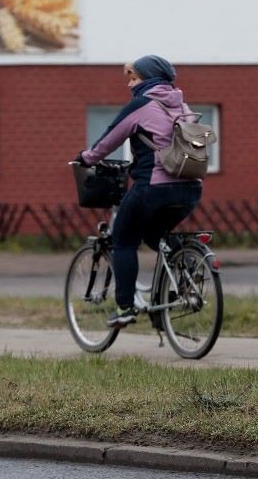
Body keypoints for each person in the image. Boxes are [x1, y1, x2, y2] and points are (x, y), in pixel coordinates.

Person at [76, 55, 203, 328]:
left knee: (123, 239)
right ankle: (186, 265)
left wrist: (86, 158)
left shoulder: (142, 105)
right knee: (156, 236)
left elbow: (108, 140)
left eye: (133, 78)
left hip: (153, 187)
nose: (129, 85)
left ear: (149, 79)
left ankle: (125, 308)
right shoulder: (181, 105)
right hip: (191, 188)